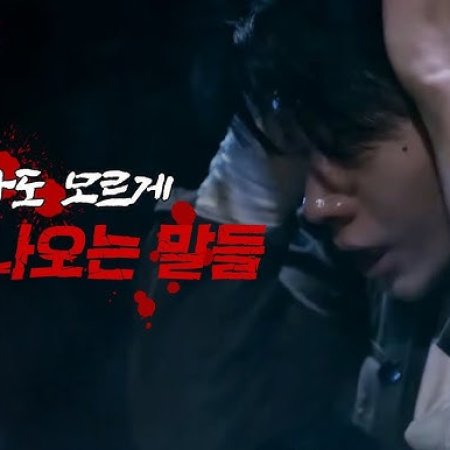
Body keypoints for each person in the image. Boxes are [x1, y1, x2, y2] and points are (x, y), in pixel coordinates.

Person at [131, 1, 450, 449]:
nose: (317, 206)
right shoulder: (352, 266)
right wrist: (251, 175)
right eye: (301, 155)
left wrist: (435, 75)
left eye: (346, 144)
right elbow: (184, 428)